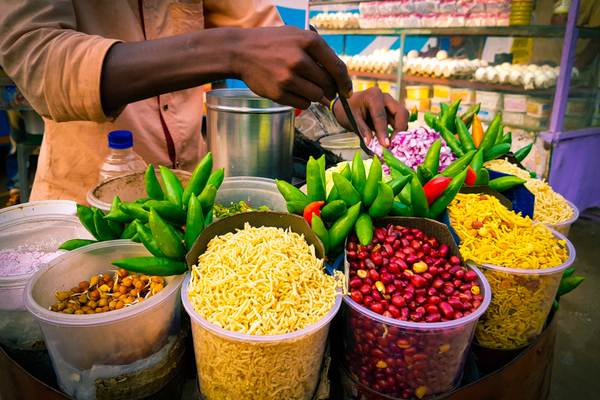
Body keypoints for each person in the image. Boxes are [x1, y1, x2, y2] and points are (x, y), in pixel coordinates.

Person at [0, 1, 408, 203]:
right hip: (89, 200)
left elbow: (268, 41)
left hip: (192, 191)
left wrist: (337, 104)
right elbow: (38, 59)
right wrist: (228, 51)